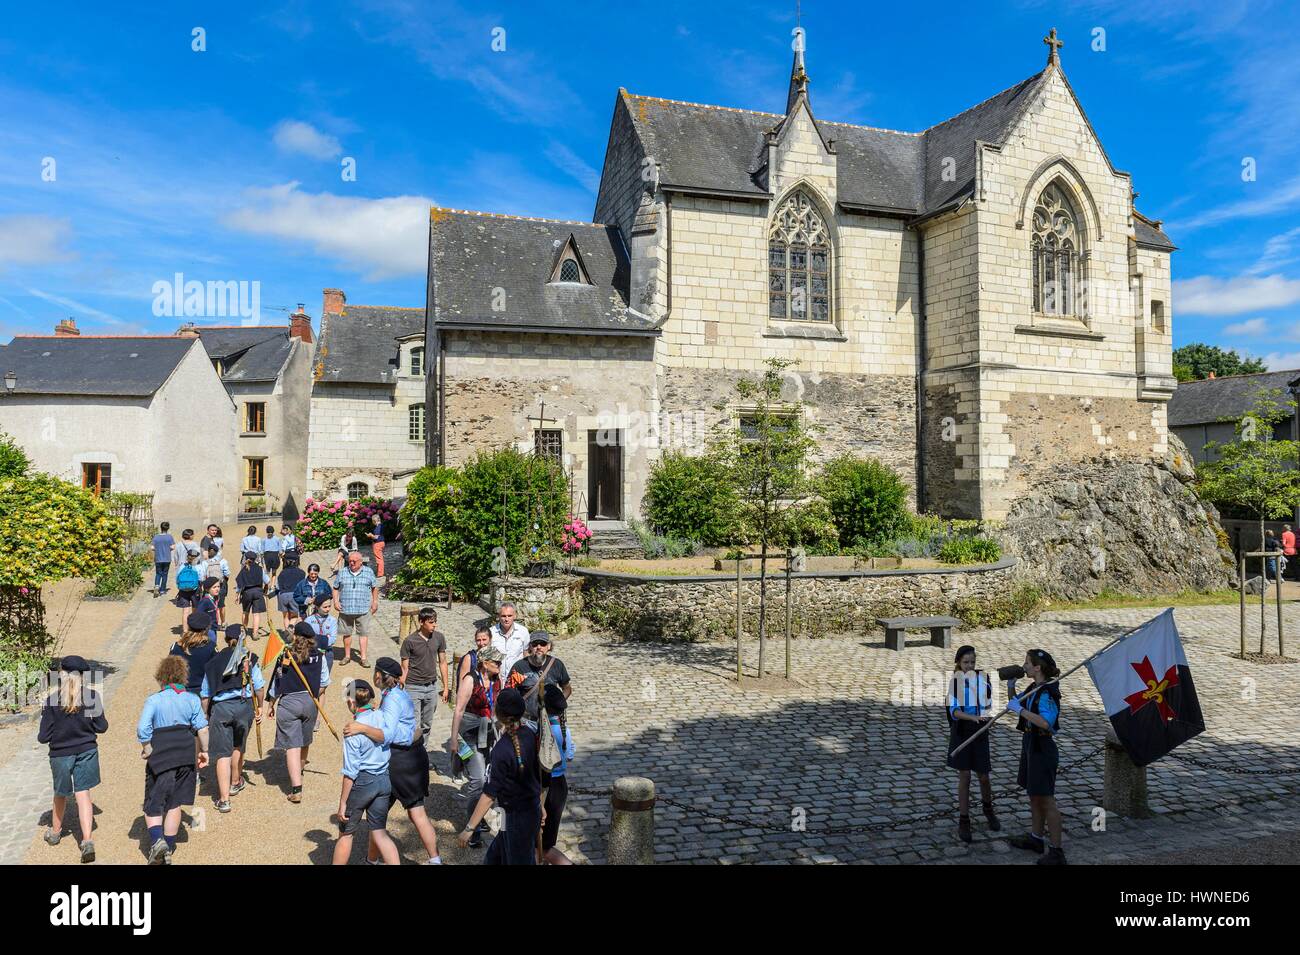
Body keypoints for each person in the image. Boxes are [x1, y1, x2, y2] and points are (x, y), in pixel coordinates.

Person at [344, 659, 442, 865]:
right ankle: (433, 860)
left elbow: (386, 735)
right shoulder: (397, 693)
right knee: (404, 815)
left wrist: (361, 728)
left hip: (399, 761)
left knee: (386, 818)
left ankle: (432, 860)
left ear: (379, 676)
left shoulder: (391, 699)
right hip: (413, 757)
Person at [137, 655, 209, 865]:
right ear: (182, 676)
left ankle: (157, 841)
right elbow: (202, 729)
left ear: (162, 676)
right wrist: (204, 751)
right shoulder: (192, 699)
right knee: (175, 802)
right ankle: (167, 847)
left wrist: (147, 748)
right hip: (186, 753)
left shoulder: (154, 700)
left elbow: (143, 729)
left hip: (161, 755)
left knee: (153, 802)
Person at [457, 687, 541, 865]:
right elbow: (537, 775)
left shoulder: (502, 750)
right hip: (522, 811)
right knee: (494, 858)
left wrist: (469, 828)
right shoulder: (529, 734)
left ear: (498, 712)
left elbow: (489, 795)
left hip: (516, 817)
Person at [38, 655, 107, 863]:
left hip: (60, 754)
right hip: (86, 750)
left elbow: (43, 737)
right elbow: (102, 727)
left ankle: (55, 832)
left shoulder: (51, 701)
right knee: (83, 793)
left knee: (60, 793)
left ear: (62, 674)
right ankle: (87, 841)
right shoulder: (92, 697)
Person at [1007, 649, 1066, 865]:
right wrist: (1011, 686)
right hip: (1030, 744)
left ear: (1037, 668)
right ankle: (1036, 838)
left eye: (1027, 663)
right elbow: (1018, 704)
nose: (1024, 666)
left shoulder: (1047, 692)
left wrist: (1019, 711)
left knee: (1047, 799)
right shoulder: (1034, 687)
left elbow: (1045, 722)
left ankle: (1057, 851)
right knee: (1034, 795)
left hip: (1043, 748)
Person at [334, 680, 399, 865]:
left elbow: (350, 772)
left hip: (363, 783)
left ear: (351, 703)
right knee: (379, 832)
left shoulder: (352, 731)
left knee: (346, 834)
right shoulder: (382, 717)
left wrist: (343, 802)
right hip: (384, 780)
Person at [200, 625, 264, 813]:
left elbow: (205, 694)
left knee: (221, 753)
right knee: (238, 745)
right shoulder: (249, 658)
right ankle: (235, 781)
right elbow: (259, 687)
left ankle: (224, 799)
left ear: (226, 639)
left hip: (221, 708)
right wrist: (260, 705)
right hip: (244, 705)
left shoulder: (213, 662)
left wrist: (205, 713)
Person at [448, 645, 504, 847]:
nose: (499, 664)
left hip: (488, 734)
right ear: (484, 663)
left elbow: (496, 706)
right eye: (496, 661)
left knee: (488, 778)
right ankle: (473, 829)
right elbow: (459, 710)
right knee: (478, 780)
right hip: (467, 736)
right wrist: (454, 738)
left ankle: (481, 816)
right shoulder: (470, 679)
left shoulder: (497, 679)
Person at [946, 645, 1000, 843]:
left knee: (984, 776)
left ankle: (988, 809)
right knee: (965, 776)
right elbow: (954, 711)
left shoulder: (982, 679)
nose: (970, 666)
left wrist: (985, 717)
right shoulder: (955, 683)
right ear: (959, 663)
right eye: (966, 662)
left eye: (973, 662)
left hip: (980, 729)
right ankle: (964, 819)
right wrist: (972, 718)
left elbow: (987, 703)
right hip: (963, 730)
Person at [267, 627, 325, 804]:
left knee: (293, 745)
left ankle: (296, 788)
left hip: (289, 702)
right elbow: (324, 683)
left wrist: (271, 703)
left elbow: (277, 682)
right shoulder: (319, 656)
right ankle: (298, 772)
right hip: (310, 701)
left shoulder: (286, 655)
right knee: (304, 740)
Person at [399, 607, 449, 746]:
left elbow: (443, 662)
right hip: (413, 687)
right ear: (421, 622)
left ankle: (423, 750)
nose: (434, 625)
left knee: (427, 723)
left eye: (435, 622)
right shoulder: (409, 641)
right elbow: (404, 667)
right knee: (413, 723)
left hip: (432, 687)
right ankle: (411, 752)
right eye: (431, 622)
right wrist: (401, 687)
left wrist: (445, 687)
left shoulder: (439, 638)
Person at [539, 683, 575, 865]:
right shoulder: (564, 730)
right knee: (546, 840)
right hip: (560, 785)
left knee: (541, 846)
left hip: (545, 789)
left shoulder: (542, 732)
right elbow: (569, 754)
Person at [506, 631, 570, 723]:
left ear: (549, 646)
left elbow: (567, 687)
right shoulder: (519, 666)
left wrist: (559, 701)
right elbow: (508, 691)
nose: (539, 647)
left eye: (543, 644)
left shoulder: (557, 664)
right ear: (530, 647)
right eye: (535, 644)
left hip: (551, 718)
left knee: (564, 737)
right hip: (527, 720)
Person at [334, 550, 382, 668]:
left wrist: (375, 602)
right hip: (346, 608)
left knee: (363, 633)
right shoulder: (343, 572)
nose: (351, 563)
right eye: (349, 561)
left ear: (361, 562)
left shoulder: (368, 572)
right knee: (346, 633)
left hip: (363, 609)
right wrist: (335, 601)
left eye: (354, 561)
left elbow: (375, 587)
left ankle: (363, 658)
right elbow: (335, 587)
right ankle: (347, 656)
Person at [169, 613, 216, 697]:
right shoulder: (211, 648)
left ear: (189, 626)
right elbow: (215, 671)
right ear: (206, 629)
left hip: (180, 692)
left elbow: (170, 671)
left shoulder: (175, 647)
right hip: (203, 692)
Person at [490, 602, 531, 675]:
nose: (506, 619)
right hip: (497, 677)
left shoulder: (523, 631)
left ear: (515, 616)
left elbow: (526, 653)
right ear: (499, 616)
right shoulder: (491, 632)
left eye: (509, 616)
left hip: (516, 677)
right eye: (503, 616)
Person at [305, 593, 339, 678]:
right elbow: (305, 638)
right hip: (311, 653)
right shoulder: (309, 620)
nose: (328, 609)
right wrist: (325, 639)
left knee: (324, 680)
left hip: (327, 653)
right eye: (325, 607)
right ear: (317, 607)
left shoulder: (332, 621)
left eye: (329, 606)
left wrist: (314, 638)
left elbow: (332, 640)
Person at [236, 555, 267, 638]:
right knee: (256, 614)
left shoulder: (244, 569)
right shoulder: (260, 569)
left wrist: (238, 594)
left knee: (245, 612)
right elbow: (267, 581)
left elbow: (239, 584)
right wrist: (265, 589)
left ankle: (244, 631)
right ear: (256, 559)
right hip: (258, 591)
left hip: (247, 592)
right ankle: (255, 633)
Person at [173, 548, 204, 631]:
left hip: (183, 590)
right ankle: (193, 628)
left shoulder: (182, 566)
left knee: (185, 612)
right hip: (195, 590)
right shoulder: (198, 567)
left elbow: (177, 578)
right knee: (195, 609)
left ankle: (185, 631)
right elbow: (201, 578)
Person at [275, 554, 307, 628]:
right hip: (294, 595)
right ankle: (291, 627)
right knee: (294, 617)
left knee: (285, 617)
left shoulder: (282, 573)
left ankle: (287, 635)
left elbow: (277, 586)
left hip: (282, 595)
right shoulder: (301, 573)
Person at [151, 522, 175, 597]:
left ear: (161, 528)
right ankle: (162, 590)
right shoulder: (169, 537)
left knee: (158, 573)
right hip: (167, 558)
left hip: (158, 558)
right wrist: (167, 549)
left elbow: (152, 547)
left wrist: (158, 549)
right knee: (165, 574)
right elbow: (173, 547)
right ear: (168, 528)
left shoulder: (156, 537)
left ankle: (157, 586)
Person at [363, 513, 386, 579]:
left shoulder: (378, 527)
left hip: (378, 544)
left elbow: (376, 537)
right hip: (381, 543)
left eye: (373, 521)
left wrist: (370, 535)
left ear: (374, 521)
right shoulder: (381, 526)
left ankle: (380, 574)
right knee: (380, 558)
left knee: (379, 559)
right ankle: (380, 572)